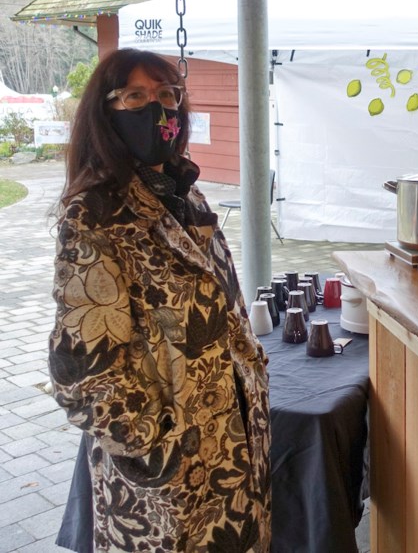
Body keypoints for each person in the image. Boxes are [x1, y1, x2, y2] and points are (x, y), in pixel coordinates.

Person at [48, 48, 271, 551]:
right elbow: (82, 374)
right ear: (106, 114)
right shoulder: (95, 214)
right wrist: (160, 452)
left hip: (233, 450)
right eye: (135, 96)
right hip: (167, 485)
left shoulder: (187, 195)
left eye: (167, 95)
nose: (158, 109)